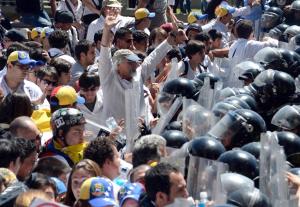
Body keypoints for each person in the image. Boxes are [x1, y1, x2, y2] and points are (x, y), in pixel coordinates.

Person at [98, 11, 176, 122]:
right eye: (130, 62)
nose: (134, 65)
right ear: (118, 64)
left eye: (135, 61)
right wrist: (106, 29)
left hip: (138, 133)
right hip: (114, 135)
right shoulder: (108, 78)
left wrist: (171, 37)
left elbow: (154, 56)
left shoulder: (139, 73)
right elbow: (105, 53)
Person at [77, 72, 105, 138]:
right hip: (84, 143)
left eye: (92, 89)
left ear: (98, 87)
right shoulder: (73, 103)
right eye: (85, 90)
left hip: (104, 140)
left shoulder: (105, 98)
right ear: (80, 88)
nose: (89, 93)